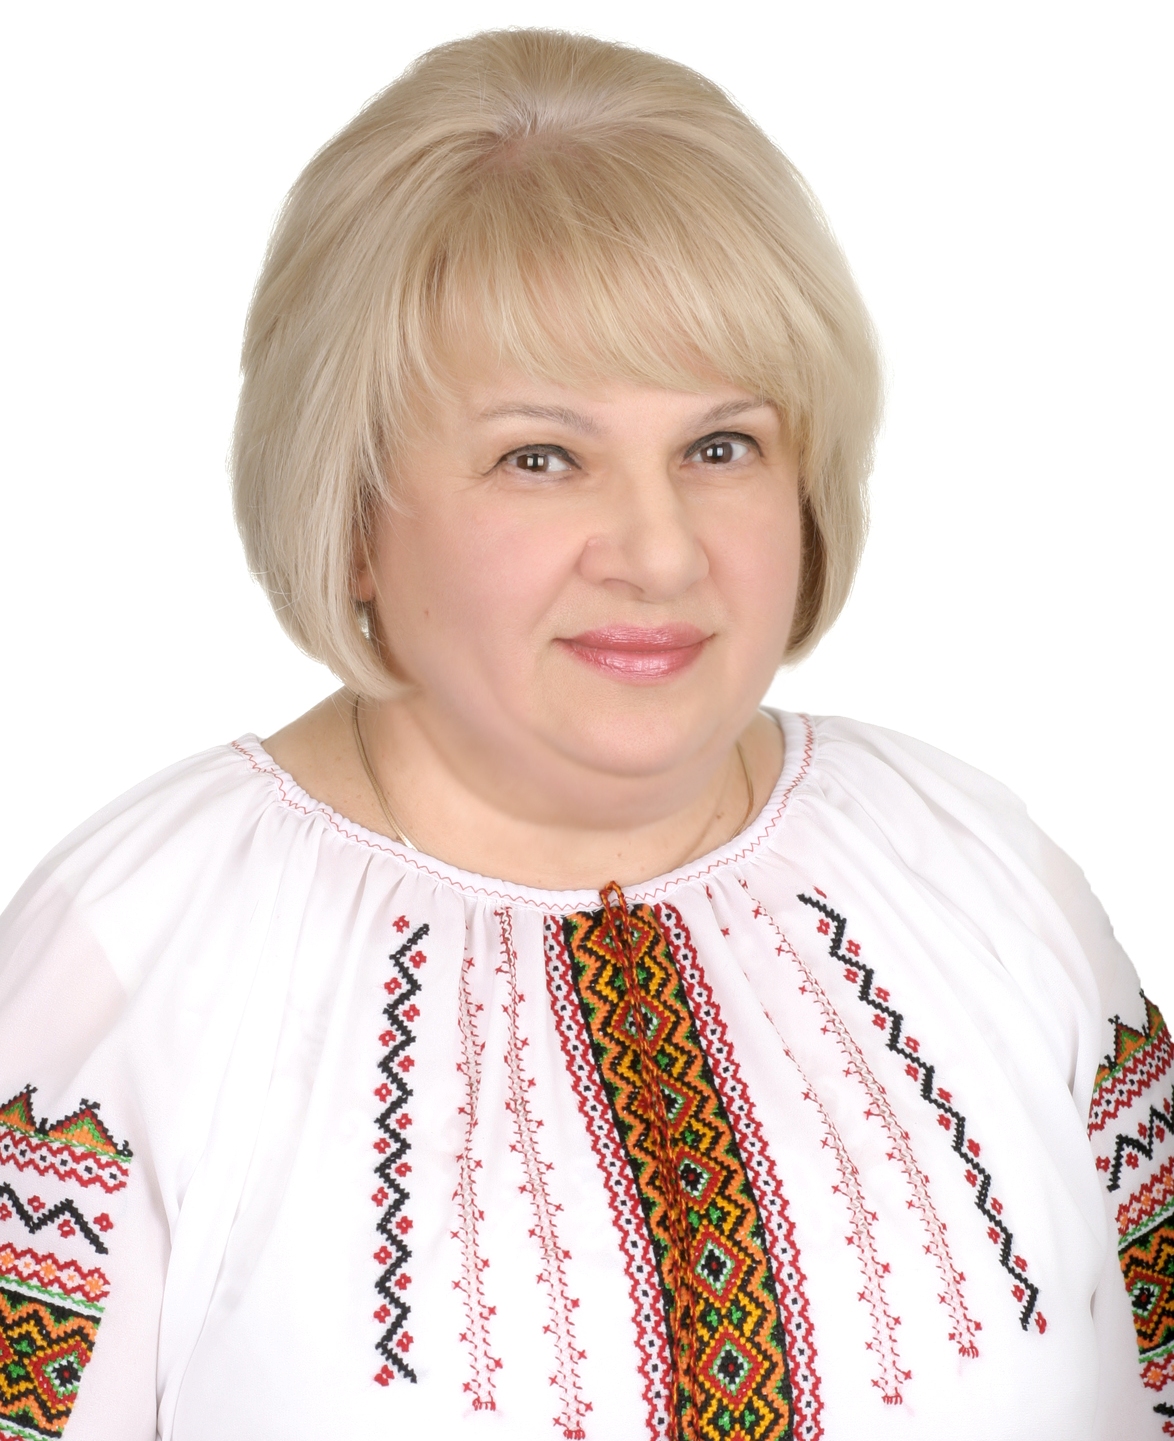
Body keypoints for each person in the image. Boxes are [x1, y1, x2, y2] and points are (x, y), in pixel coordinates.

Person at [0, 27, 1164, 1441]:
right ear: (351, 510)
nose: (659, 553)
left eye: (720, 446)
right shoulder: (140, 957)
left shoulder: (980, 874)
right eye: (540, 457)